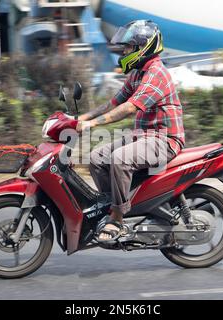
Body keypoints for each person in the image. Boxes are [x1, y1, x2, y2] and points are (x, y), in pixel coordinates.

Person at [76, 20, 185, 243]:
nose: (124, 52)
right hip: (143, 137)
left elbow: (128, 108)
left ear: (143, 48)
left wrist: (94, 125)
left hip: (165, 140)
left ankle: (117, 218)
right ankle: (114, 205)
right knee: (96, 158)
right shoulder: (137, 73)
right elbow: (114, 102)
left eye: (128, 47)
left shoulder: (156, 73)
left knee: (119, 159)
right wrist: (82, 118)